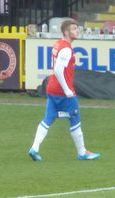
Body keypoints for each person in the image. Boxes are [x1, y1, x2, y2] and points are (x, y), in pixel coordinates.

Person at [28, 19, 100, 162]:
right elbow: (58, 70)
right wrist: (67, 90)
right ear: (66, 32)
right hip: (62, 91)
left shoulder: (58, 44)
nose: (77, 31)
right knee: (75, 118)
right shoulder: (66, 48)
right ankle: (82, 152)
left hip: (52, 88)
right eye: (74, 29)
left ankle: (34, 148)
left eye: (77, 28)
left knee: (48, 119)